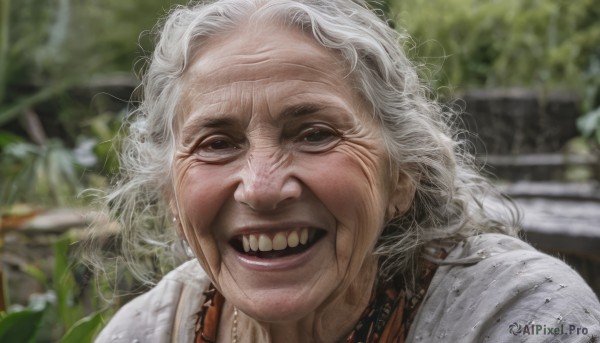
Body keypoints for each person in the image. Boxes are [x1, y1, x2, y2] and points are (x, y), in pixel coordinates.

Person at [91, 0, 600, 342]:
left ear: (402, 175)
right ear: (172, 198)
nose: (262, 188)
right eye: (217, 143)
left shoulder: (519, 316)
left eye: (314, 134)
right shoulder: (146, 331)